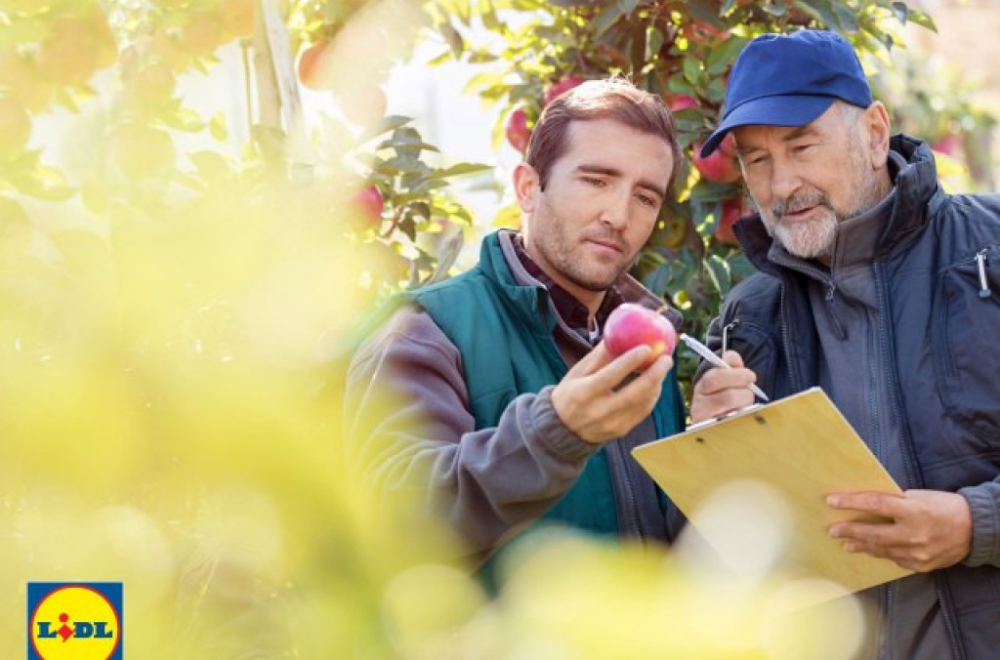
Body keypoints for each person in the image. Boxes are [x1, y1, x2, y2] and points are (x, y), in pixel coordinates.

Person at [691, 30, 1000, 660]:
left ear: (875, 133)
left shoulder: (990, 253)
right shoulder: (746, 319)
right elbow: (736, 563)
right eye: (756, 161)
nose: (781, 187)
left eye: (801, 146)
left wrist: (979, 525)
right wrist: (709, 457)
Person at [345, 78, 687, 581]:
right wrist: (556, 432)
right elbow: (397, 524)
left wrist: (711, 446)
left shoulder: (648, 346)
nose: (619, 216)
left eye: (645, 197)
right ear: (529, 187)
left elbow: (657, 548)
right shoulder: (427, 331)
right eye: (595, 180)